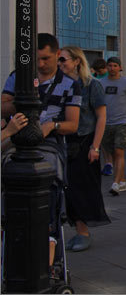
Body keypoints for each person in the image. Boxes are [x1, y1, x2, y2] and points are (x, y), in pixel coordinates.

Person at [2, 33, 81, 269]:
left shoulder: (70, 84)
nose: (41, 64)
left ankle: (48, 246)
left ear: (57, 55)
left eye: (46, 59)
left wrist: (52, 126)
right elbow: (2, 106)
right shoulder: (18, 77)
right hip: (16, 142)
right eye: (36, 59)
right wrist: (24, 99)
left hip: (49, 145)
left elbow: (73, 124)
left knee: (50, 184)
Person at [59, 46, 110, 252]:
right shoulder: (60, 85)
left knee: (81, 189)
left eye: (63, 60)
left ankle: (83, 232)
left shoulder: (91, 85)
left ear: (76, 61)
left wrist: (95, 147)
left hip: (84, 141)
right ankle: (77, 229)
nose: (60, 64)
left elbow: (101, 117)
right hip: (64, 140)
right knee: (67, 189)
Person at [99, 57, 126, 195]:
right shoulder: (100, 83)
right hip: (106, 122)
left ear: (120, 67)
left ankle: (116, 183)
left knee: (119, 151)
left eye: (115, 65)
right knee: (111, 153)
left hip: (122, 121)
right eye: (110, 65)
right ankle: (122, 181)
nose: (112, 68)